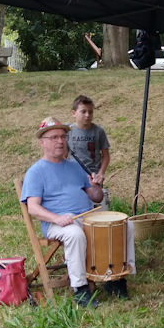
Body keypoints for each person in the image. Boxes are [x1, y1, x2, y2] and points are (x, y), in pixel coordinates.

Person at [20, 116, 105, 307]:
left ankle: (115, 278)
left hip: (86, 217)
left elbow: (97, 197)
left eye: (63, 137)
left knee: (122, 225)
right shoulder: (35, 172)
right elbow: (33, 207)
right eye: (54, 137)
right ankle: (80, 289)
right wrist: (56, 218)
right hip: (57, 223)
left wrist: (96, 185)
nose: (60, 141)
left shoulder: (75, 167)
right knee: (74, 234)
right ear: (42, 143)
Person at [66, 94, 127, 298]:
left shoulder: (98, 131)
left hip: (95, 183)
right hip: (76, 184)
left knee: (103, 223)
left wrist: (100, 174)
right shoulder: (68, 132)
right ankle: (79, 265)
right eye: (83, 111)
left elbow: (105, 156)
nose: (87, 115)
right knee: (80, 226)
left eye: (90, 112)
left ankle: (107, 267)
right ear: (74, 113)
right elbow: (64, 158)